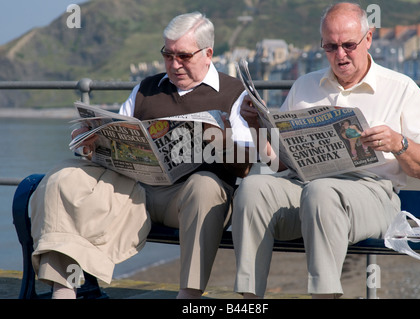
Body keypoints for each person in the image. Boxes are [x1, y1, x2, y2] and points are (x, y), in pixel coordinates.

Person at [30, 12, 253, 299]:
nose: (174, 65)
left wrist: (220, 140)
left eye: (183, 56)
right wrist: (90, 143)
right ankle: (64, 289)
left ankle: (189, 296)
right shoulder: (146, 89)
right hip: (135, 190)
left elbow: (246, 164)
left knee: (205, 187)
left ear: (208, 53)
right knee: (64, 177)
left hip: (188, 198)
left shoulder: (234, 93)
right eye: (167, 55)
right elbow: (117, 131)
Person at [233, 2, 420, 299]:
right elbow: (278, 163)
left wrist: (399, 144)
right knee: (253, 188)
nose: (340, 55)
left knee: (322, 193)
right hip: (306, 186)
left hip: (372, 193)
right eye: (330, 47)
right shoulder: (305, 85)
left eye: (348, 45)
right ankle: (248, 300)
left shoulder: (401, 88)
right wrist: (257, 127)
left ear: (368, 39)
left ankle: (324, 295)